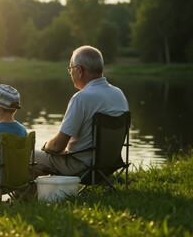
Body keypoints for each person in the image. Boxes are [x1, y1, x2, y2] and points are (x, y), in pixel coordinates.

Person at [34, 45, 129, 178]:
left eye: (70, 69)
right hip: (108, 167)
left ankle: (26, 198)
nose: (70, 73)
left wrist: (46, 147)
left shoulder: (81, 98)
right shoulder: (119, 94)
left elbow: (57, 145)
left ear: (79, 71)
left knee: (27, 157)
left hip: (82, 168)